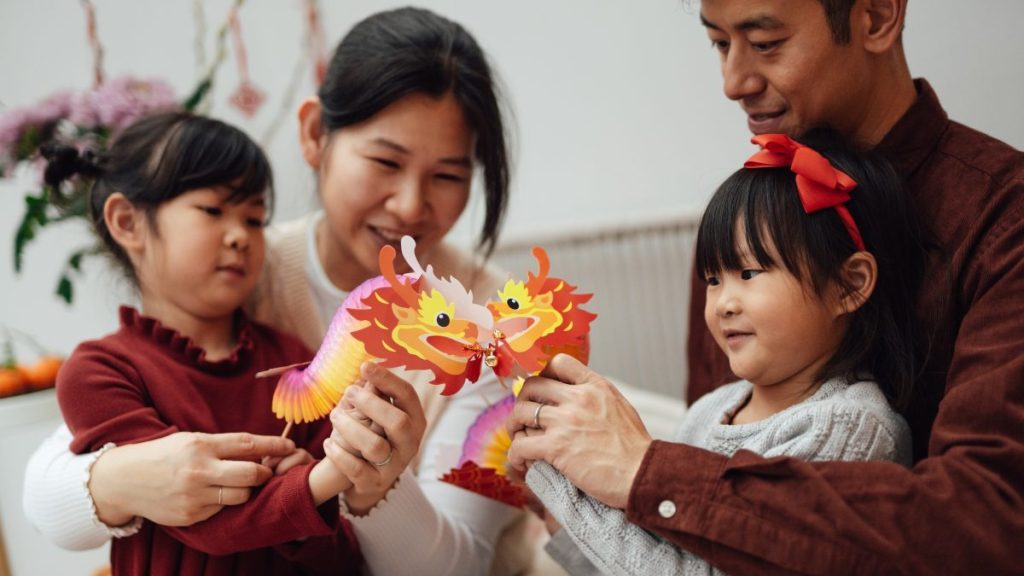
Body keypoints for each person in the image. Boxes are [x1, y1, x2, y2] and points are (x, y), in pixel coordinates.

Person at [508, 0, 1024, 573]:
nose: (733, 82)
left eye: (765, 41)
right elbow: (682, 534)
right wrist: (575, 495)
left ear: (876, 17)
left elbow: (985, 523)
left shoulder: (1002, 220)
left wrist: (640, 470)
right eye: (719, 44)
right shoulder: (743, 226)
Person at [25, 7, 532, 575]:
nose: (411, 205)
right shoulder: (231, 273)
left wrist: (363, 484)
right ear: (316, 135)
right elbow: (48, 496)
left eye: (447, 176)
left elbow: (456, 569)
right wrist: (127, 478)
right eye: (385, 161)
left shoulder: (492, 330)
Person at [526, 131, 923, 574]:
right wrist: (554, 504)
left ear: (849, 285)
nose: (723, 303)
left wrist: (564, 490)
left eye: (749, 272)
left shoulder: (853, 427)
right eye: (713, 280)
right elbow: (642, 556)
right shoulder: (707, 412)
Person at [43, 110, 366, 574]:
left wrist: (321, 491)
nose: (240, 237)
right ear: (127, 222)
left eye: (255, 219)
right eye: (213, 210)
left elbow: (339, 549)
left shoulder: (294, 361)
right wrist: (323, 479)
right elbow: (201, 517)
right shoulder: (100, 372)